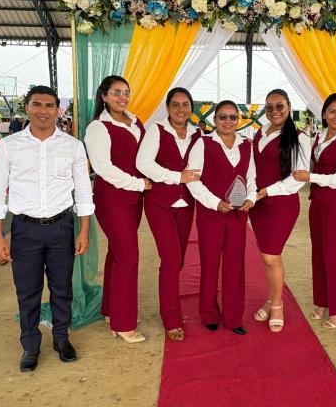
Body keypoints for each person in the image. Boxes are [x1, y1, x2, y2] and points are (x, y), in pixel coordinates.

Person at [0, 85, 94, 372]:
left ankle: (61, 338)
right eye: (37, 104)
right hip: (25, 230)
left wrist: (83, 230)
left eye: (49, 105)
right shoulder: (8, 146)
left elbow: (83, 190)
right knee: (27, 291)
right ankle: (30, 345)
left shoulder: (73, 146)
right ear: (27, 107)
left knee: (62, 288)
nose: (43, 111)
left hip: (61, 228)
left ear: (58, 110)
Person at [85, 75, 150, 344]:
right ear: (104, 96)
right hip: (112, 198)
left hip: (134, 198)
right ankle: (123, 323)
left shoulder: (135, 121)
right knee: (128, 256)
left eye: (126, 92)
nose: (122, 97)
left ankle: (111, 309)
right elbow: (102, 167)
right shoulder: (98, 127)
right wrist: (138, 183)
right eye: (116, 92)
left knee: (117, 253)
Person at [136, 87, 202, 342]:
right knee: (172, 259)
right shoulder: (156, 130)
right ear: (168, 108)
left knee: (179, 260)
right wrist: (176, 177)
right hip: (160, 204)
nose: (180, 109)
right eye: (175, 104)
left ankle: (170, 305)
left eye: (185, 104)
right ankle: (171, 317)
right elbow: (143, 163)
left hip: (186, 203)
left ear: (191, 107)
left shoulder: (198, 133)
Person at [186, 100, 256, 335]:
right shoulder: (203, 143)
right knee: (210, 263)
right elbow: (193, 179)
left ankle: (234, 318)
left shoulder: (246, 145)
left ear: (238, 120)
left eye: (232, 117)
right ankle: (209, 313)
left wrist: (251, 198)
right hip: (210, 215)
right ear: (214, 120)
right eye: (223, 117)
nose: (228, 121)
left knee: (235, 265)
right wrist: (215, 203)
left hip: (238, 215)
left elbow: (252, 178)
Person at [294, 93, 336, 329]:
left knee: (332, 254)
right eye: (332, 111)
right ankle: (322, 301)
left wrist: (311, 177)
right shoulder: (319, 137)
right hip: (318, 202)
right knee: (318, 253)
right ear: (324, 114)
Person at [250, 89, 310, 333]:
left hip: (281, 204)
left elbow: (298, 178)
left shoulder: (299, 138)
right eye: (269, 107)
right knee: (267, 256)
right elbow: (252, 166)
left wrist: (268, 191)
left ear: (288, 107)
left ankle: (277, 305)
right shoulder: (260, 132)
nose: (274, 111)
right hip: (258, 205)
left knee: (271, 256)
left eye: (279, 106)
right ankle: (271, 298)